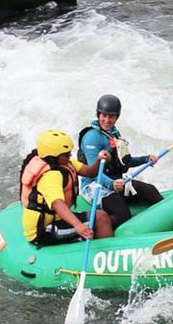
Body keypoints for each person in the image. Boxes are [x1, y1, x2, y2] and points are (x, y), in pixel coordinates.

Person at [77, 94, 163, 227]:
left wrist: (146, 159)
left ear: (117, 117)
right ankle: (99, 229)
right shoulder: (91, 138)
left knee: (150, 191)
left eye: (111, 116)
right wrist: (111, 184)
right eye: (103, 115)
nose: (107, 120)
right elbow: (94, 172)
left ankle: (163, 223)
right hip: (93, 184)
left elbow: (124, 161)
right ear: (98, 115)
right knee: (121, 212)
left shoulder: (114, 134)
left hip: (115, 181)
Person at [19, 129, 114, 247]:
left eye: (69, 152)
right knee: (101, 218)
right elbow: (58, 204)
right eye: (66, 154)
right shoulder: (50, 176)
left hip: (55, 219)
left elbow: (90, 172)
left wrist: (99, 160)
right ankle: (103, 254)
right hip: (43, 231)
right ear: (53, 156)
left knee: (98, 215)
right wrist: (78, 225)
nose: (69, 155)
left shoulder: (64, 163)